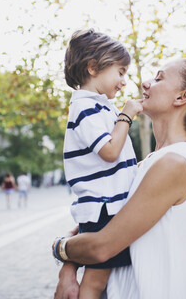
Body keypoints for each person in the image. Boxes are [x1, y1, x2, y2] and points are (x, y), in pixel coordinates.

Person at [53, 58, 186, 299]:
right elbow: (97, 223)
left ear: (182, 97)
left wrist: (59, 248)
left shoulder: (173, 164)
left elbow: (102, 246)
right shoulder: (151, 163)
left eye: (158, 78)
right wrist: (68, 270)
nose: (145, 83)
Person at [59, 28, 143, 299]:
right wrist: (126, 116)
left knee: (101, 281)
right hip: (103, 208)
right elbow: (109, 152)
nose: (123, 82)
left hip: (109, 206)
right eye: (120, 72)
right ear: (93, 67)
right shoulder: (86, 108)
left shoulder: (100, 106)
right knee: (95, 282)